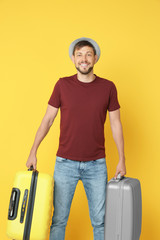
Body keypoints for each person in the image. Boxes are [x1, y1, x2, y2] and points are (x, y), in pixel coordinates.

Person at [26, 37, 126, 240]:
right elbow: (48, 120)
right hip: (65, 164)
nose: (84, 59)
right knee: (59, 220)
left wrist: (122, 159)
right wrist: (33, 151)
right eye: (79, 55)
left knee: (100, 221)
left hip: (97, 165)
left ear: (95, 58)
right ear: (73, 59)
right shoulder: (62, 85)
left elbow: (116, 124)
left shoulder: (108, 87)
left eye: (88, 54)